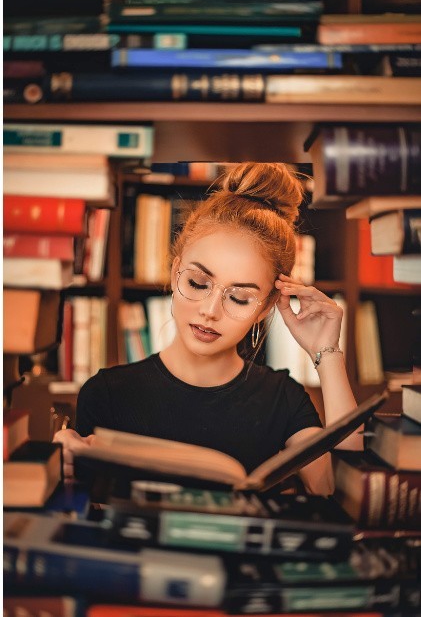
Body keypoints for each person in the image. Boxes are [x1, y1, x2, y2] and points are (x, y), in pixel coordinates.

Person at [55, 162, 362, 495]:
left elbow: (346, 495)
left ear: (266, 307)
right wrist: (59, 470)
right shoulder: (106, 394)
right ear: (175, 275)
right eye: (198, 283)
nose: (210, 311)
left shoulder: (282, 400)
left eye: (240, 298)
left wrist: (327, 355)